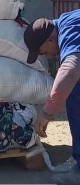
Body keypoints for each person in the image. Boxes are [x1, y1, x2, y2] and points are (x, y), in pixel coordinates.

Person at [23, 9, 80, 182]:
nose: (50, 56)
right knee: (73, 91)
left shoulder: (69, 32)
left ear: (50, 39)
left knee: (71, 84)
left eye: (45, 52)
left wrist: (47, 112)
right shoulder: (64, 21)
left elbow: (70, 70)